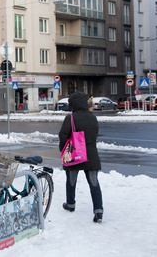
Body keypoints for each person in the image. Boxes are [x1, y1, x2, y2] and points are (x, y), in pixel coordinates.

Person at [58, 92, 103, 223]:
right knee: (94, 183)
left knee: (71, 181)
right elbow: (95, 135)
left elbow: (63, 135)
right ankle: (98, 211)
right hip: (91, 155)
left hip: (74, 154)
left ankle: (70, 204)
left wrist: (64, 150)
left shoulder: (70, 118)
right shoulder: (93, 118)